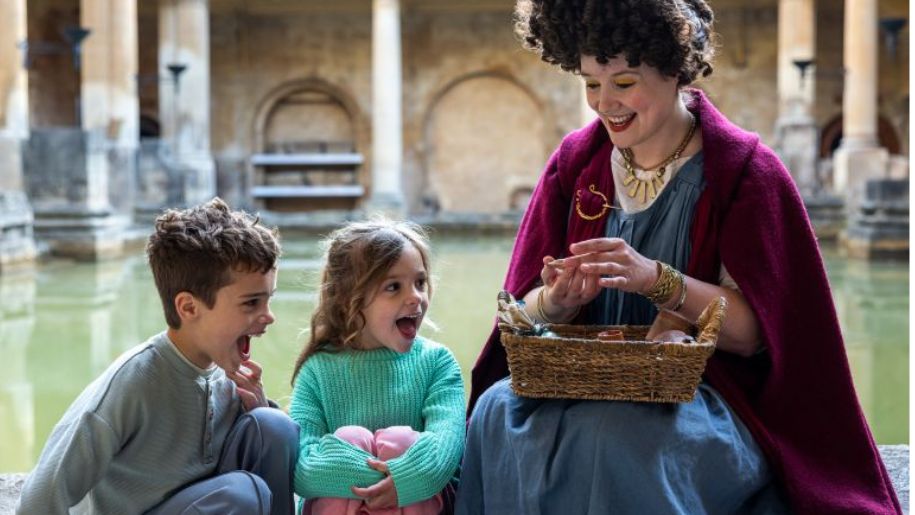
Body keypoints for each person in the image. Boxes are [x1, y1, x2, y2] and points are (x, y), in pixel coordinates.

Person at [456, 1, 901, 514]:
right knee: (497, 410)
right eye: (591, 84)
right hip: (582, 376)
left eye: (624, 83)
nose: (605, 104)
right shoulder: (574, 165)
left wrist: (656, 280)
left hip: (705, 396)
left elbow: (758, 334)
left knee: (611, 436)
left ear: (673, 69)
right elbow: (518, 312)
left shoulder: (744, 172)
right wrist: (554, 303)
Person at [16, 198, 300, 515]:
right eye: (251, 303)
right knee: (243, 494)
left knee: (273, 426)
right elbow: (40, 497)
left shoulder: (226, 375)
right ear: (189, 308)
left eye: (268, 300)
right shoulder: (133, 382)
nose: (268, 316)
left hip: (201, 503)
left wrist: (256, 407)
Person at [289, 219, 465, 515]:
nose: (416, 298)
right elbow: (303, 468)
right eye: (393, 287)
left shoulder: (437, 363)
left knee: (401, 442)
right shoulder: (317, 370)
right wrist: (382, 481)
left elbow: (445, 451)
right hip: (342, 504)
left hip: (417, 503)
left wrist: (403, 481)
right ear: (349, 301)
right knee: (350, 439)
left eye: (420, 282)